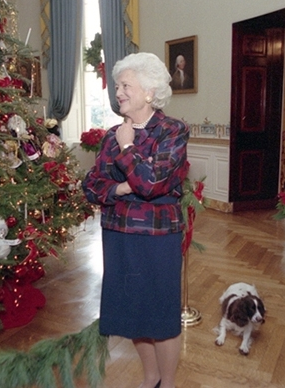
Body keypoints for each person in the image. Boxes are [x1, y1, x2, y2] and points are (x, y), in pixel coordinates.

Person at [82, 52, 189, 388]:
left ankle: (168, 383)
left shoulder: (173, 131)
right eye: (117, 86)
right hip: (118, 236)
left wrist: (128, 150)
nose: (118, 91)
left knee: (161, 316)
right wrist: (124, 186)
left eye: (126, 85)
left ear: (149, 92)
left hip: (157, 238)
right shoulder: (110, 134)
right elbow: (91, 185)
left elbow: (153, 183)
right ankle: (151, 376)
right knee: (135, 314)